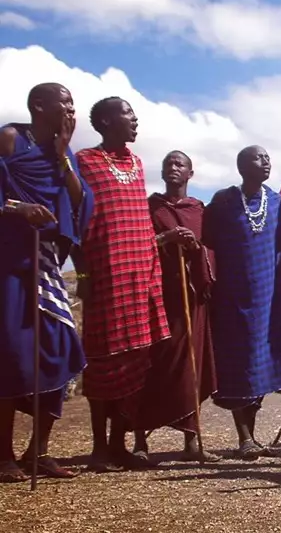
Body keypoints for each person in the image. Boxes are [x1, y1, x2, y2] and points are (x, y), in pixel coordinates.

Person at [0, 83, 91, 482]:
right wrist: (19, 209)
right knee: (12, 354)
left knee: (58, 346)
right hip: (11, 262)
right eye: (65, 101)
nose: (71, 108)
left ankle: (38, 450)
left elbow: (79, 201)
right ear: (40, 105)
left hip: (48, 261)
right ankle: (3, 455)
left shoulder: (63, 148)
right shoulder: (10, 137)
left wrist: (62, 157)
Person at [73, 97, 169, 471]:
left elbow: (140, 225)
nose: (135, 120)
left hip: (140, 278)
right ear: (106, 122)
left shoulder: (138, 163)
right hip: (104, 280)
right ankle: (99, 448)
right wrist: (82, 276)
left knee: (135, 365)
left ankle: (118, 444)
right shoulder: (85, 162)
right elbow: (75, 224)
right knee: (103, 365)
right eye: (128, 115)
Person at [204, 145, 281, 460]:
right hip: (234, 299)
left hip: (270, 300)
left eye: (268, 156)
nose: (266, 161)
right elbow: (208, 245)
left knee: (261, 365)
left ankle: (251, 435)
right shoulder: (224, 203)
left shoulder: (279, 203)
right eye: (258, 157)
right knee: (240, 366)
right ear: (242, 166)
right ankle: (245, 437)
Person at [134, 151, 219, 463]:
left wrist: (195, 249)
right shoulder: (150, 206)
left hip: (191, 297)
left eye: (179, 164)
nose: (173, 168)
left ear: (190, 174)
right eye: (168, 163)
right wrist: (166, 238)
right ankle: (140, 441)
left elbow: (210, 247)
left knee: (191, 365)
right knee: (153, 364)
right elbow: (139, 243)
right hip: (157, 296)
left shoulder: (198, 210)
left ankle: (192, 441)